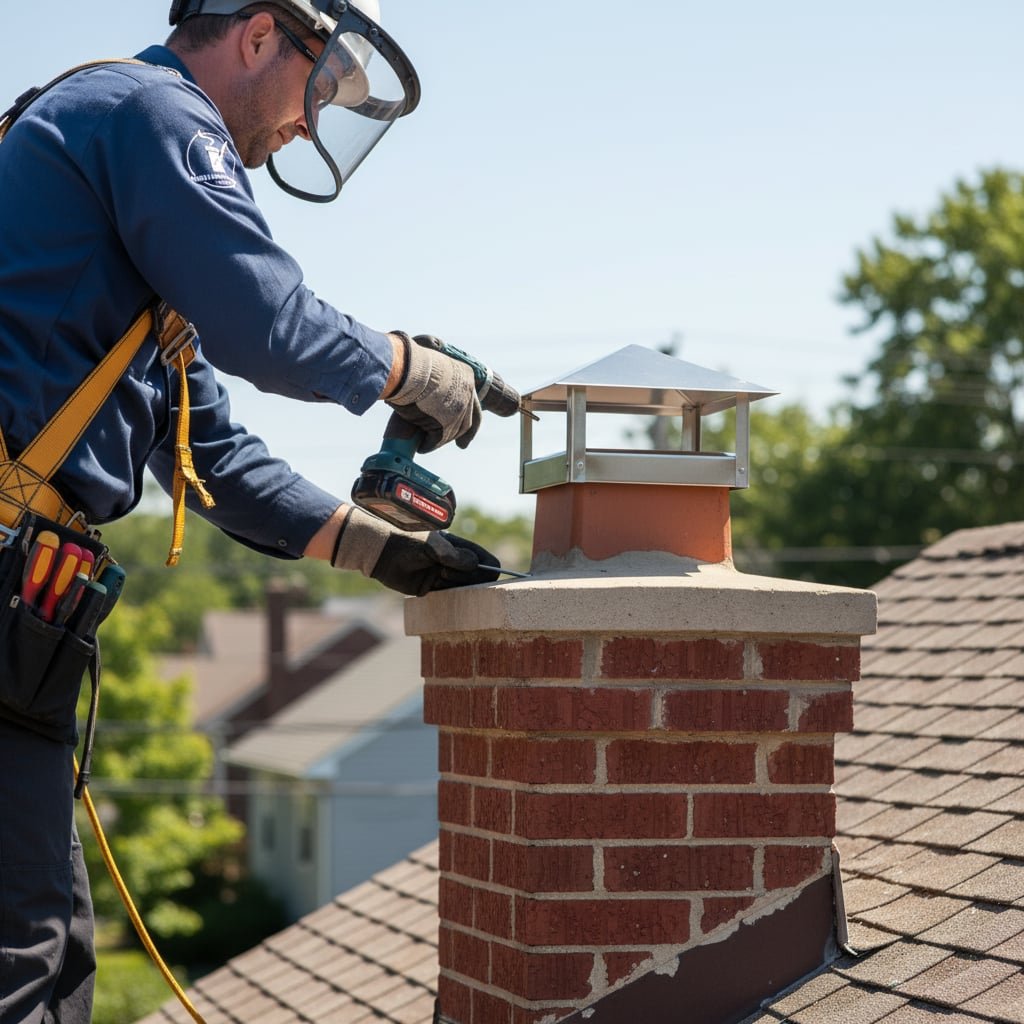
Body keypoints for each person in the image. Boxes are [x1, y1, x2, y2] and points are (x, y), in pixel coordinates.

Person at [0, 1, 502, 1018]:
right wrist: (409, 368)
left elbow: (216, 459)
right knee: (25, 959)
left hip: (26, 609)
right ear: (261, 34)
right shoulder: (151, 112)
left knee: (51, 955)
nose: (308, 126)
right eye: (320, 89)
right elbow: (269, 323)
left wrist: (383, 552)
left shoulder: (128, 211)